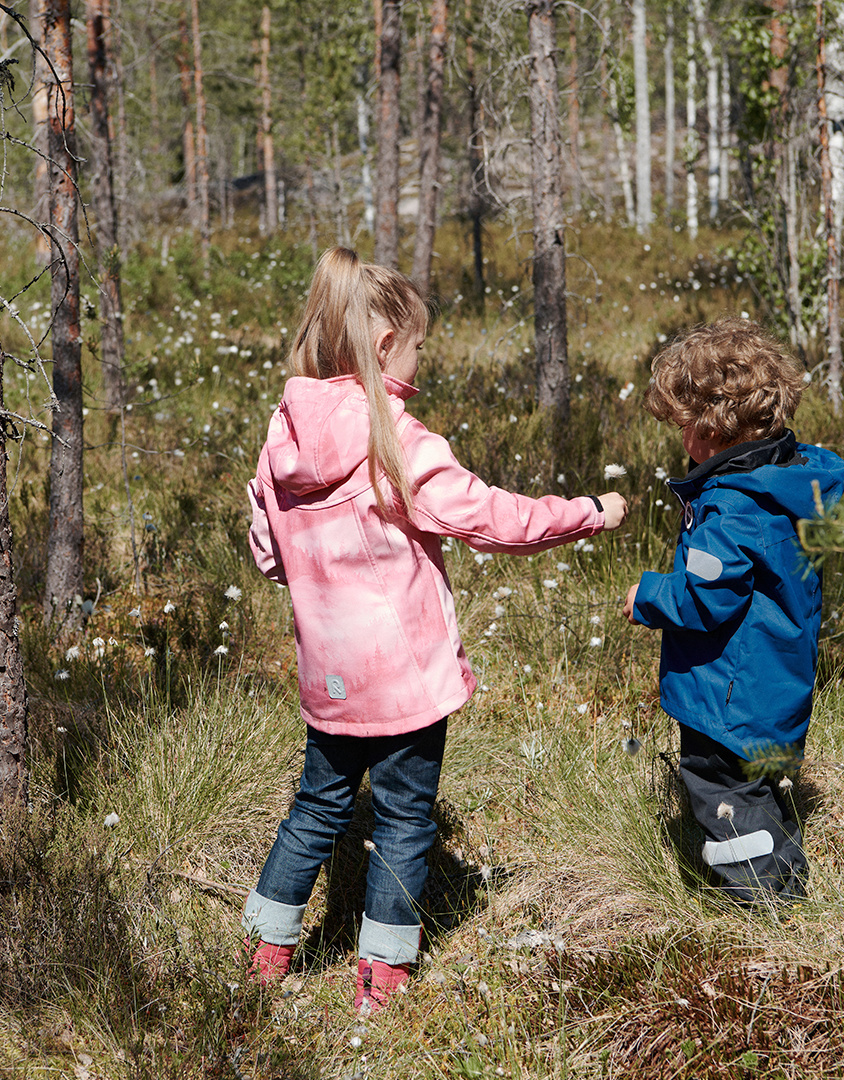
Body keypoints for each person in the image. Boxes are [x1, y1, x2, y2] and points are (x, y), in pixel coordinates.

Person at [242, 247, 627, 1012]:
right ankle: (381, 980)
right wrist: (590, 513)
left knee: (315, 809)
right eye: (418, 346)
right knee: (407, 819)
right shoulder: (398, 442)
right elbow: (491, 518)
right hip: (406, 685)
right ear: (386, 346)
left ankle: (265, 953)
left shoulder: (281, 440)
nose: (422, 361)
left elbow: (266, 555)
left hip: (330, 680)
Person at [623, 318, 844, 903]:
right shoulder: (789, 480)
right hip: (775, 676)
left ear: (710, 428)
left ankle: (766, 905)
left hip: (731, 690)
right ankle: (787, 871)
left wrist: (647, 596)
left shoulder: (732, 509)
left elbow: (705, 597)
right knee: (758, 784)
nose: (680, 440)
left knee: (720, 789)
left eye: (682, 426)